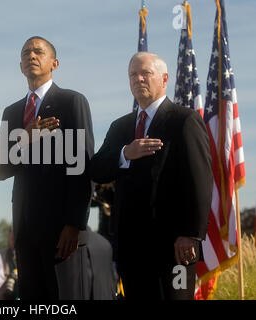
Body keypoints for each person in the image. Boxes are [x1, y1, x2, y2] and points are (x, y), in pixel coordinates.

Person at [90, 52, 213, 300]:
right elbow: (97, 169)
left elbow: (199, 181)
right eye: (133, 75)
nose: (138, 79)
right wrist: (126, 152)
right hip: (130, 247)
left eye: (145, 73)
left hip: (174, 248)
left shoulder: (184, 120)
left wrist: (190, 234)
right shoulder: (120, 127)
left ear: (164, 78)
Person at [0, 36, 94, 299]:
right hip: (25, 229)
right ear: (20, 65)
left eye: (38, 51)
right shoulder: (11, 112)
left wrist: (74, 223)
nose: (31, 56)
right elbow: (0, 170)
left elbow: (81, 164)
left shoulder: (71, 101)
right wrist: (24, 139)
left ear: (54, 63)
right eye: (25, 53)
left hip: (61, 230)